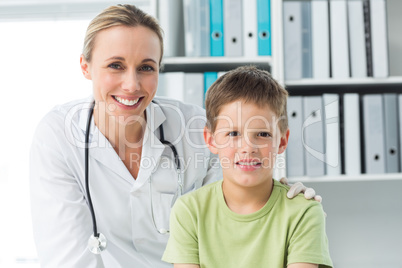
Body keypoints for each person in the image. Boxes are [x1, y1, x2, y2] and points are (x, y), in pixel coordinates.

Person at [30, 5, 321, 268]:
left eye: (146, 67)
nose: (132, 84)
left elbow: (234, 215)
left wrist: (280, 199)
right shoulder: (58, 136)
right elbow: (68, 259)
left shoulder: (193, 127)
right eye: (115, 65)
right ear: (85, 66)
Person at [162, 66, 333, 268]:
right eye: (233, 134)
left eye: (262, 134)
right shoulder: (189, 212)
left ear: (282, 141)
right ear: (210, 139)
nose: (247, 148)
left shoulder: (304, 212)